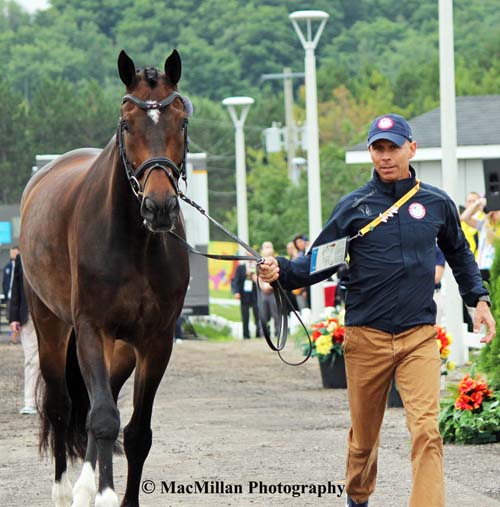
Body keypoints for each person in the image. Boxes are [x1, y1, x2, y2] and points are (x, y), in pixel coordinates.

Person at [259, 113, 495, 507]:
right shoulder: (354, 207)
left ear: (411, 149)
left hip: (418, 336)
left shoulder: (437, 204)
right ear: (371, 152)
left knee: (426, 431)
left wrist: (479, 300)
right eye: (378, 148)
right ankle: (358, 496)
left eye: (393, 147)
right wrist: (280, 270)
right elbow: (317, 263)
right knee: (364, 440)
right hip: (365, 337)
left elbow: (460, 253)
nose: (385, 156)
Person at [8, 253, 39, 415]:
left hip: (55, 316)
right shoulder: (22, 258)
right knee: (32, 360)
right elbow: (16, 287)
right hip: (28, 317)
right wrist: (13, 317)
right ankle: (31, 401)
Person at [460, 196, 500, 283]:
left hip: (496, 269)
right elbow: (464, 217)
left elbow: (494, 240)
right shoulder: (483, 224)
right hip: (481, 268)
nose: (493, 213)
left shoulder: (489, 225)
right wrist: (478, 203)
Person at [231, 261, 260, 339]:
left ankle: (259, 334)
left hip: (255, 295)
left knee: (258, 316)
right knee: (245, 316)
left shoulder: (257, 266)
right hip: (244, 295)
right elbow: (235, 280)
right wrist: (236, 292)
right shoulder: (241, 267)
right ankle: (246, 335)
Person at [257, 242, 280, 337]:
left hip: (274, 291)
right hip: (263, 292)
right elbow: (258, 277)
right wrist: (263, 287)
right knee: (263, 314)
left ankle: (278, 333)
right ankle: (263, 334)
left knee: (276, 313)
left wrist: (270, 287)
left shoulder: (276, 262)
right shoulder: (259, 263)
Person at [2, 245, 20, 343]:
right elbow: (5, 281)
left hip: (19, 297)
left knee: (17, 317)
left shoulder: (22, 266)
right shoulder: (8, 267)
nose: (12, 254)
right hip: (10, 296)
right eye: (11, 252)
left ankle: (13, 337)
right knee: (10, 318)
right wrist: (5, 293)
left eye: (14, 252)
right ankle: (13, 335)